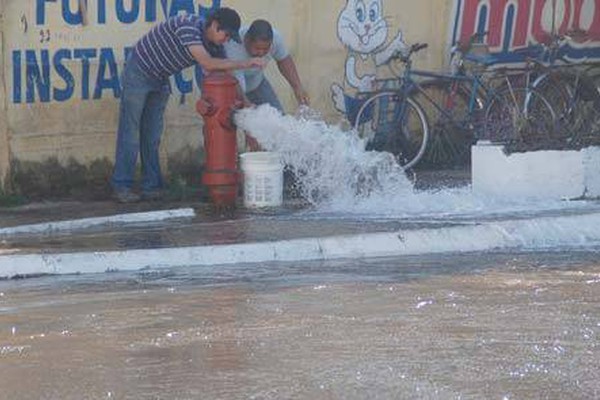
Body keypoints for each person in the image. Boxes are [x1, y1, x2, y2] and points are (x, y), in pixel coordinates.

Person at [111, 7, 265, 203]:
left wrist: (246, 103)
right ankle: (122, 186)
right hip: (138, 72)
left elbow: (228, 75)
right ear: (215, 25)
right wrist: (247, 63)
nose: (226, 40)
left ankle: (152, 187)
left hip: (159, 77)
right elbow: (208, 64)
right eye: (225, 35)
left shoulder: (214, 45)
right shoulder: (188, 27)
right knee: (130, 133)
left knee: (152, 136)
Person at [224, 19, 309, 112]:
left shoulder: (276, 38)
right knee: (238, 121)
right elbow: (235, 83)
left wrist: (297, 87)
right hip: (232, 89)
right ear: (247, 40)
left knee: (278, 119)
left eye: (266, 49)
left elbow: (284, 60)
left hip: (257, 84)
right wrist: (247, 104)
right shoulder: (232, 47)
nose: (261, 53)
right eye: (257, 48)